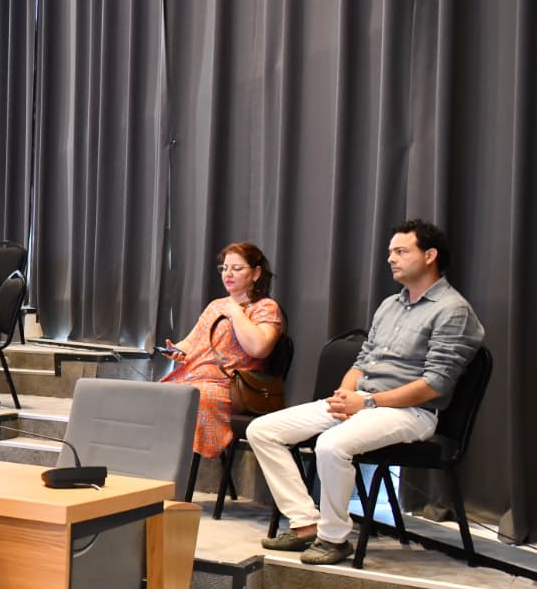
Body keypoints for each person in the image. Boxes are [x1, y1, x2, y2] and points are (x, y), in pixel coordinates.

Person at [247, 219, 483, 566]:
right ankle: (305, 523)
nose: (391, 259)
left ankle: (333, 538)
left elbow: (435, 384)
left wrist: (367, 401)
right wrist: (344, 395)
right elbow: (363, 360)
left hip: (410, 412)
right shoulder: (390, 305)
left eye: (401, 251)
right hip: (362, 402)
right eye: (390, 252)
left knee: (331, 445)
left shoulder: (452, 310)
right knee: (262, 430)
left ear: (430, 255)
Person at [158, 242, 284, 457]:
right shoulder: (216, 305)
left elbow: (259, 348)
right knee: (157, 394)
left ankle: (189, 464)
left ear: (256, 273)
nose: (228, 274)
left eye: (237, 268)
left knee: (195, 396)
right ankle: (156, 459)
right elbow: (191, 342)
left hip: (229, 386)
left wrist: (235, 312)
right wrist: (176, 350)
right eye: (225, 268)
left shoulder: (265, 307)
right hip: (194, 377)